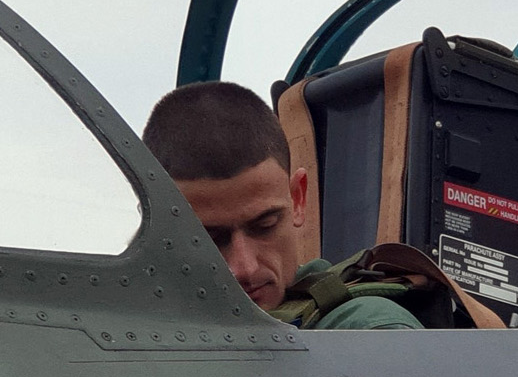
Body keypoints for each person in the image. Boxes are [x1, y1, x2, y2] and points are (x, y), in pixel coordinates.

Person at [140, 82, 423, 330]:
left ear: (298, 198)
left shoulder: (366, 330)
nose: (246, 268)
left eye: (265, 226)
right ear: (155, 228)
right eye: (208, 240)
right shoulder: (135, 321)